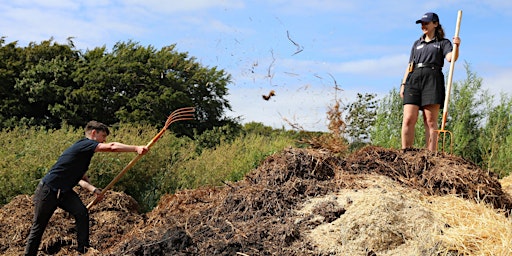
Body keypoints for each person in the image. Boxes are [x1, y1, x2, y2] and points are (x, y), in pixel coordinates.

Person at [24, 121, 149, 255]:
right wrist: (136, 148)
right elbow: (111, 147)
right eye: (103, 136)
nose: (105, 140)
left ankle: (83, 250)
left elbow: (81, 179)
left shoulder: (84, 154)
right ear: (94, 133)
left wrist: (94, 190)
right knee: (39, 227)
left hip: (64, 192)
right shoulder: (84, 144)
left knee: (81, 213)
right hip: (48, 190)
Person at [400, 12, 461, 151]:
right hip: (414, 79)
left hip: (433, 79)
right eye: (422, 23)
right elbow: (410, 65)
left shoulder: (443, 43)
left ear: (435, 24)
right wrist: (403, 84)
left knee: (430, 120)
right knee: (409, 118)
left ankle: (431, 155)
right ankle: (406, 152)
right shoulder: (417, 43)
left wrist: (457, 47)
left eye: (426, 23)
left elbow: (451, 58)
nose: (423, 26)